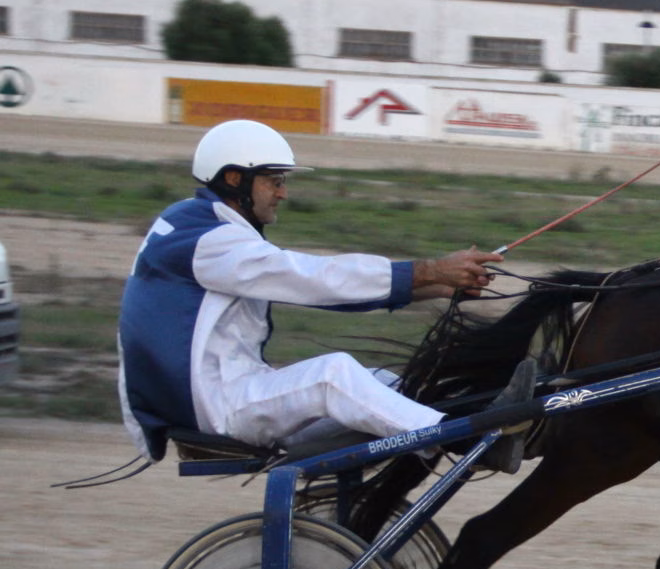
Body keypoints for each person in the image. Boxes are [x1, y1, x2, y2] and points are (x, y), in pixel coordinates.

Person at [117, 119, 531, 471]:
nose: (282, 192)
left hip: (226, 394)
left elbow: (314, 281)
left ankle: (475, 421)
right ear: (234, 179)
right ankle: (473, 444)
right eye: (274, 181)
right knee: (334, 375)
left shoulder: (190, 222)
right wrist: (428, 271)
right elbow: (315, 280)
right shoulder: (208, 241)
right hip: (217, 409)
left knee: (383, 386)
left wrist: (432, 287)